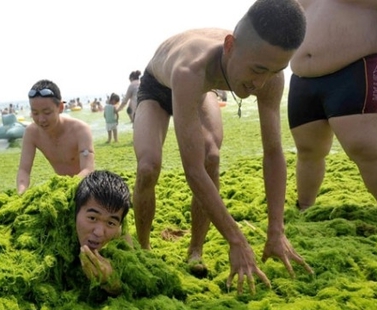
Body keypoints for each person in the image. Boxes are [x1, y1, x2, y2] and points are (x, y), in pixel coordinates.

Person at [133, 0, 312, 294]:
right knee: (148, 165)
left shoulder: (268, 76)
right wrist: (237, 240)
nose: (260, 82)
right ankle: (143, 247)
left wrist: (276, 231)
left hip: (205, 88)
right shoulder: (191, 69)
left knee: (211, 156)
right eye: (257, 69)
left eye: (274, 70)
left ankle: (196, 251)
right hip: (160, 86)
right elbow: (190, 170)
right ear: (229, 45)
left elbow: (273, 153)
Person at [288, 0, 377, 242]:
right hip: (303, 78)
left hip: (356, 65)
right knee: (308, 150)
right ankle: (304, 207)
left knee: (368, 147)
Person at [16, 79, 95, 194]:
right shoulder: (31, 133)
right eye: (35, 113)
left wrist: (66, 190)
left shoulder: (80, 130)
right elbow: (24, 170)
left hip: (85, 187)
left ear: (60, 108)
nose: (41, 119)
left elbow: (88, 169)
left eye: (47, 112)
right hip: (62, 189)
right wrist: (21, 193)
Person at [75, 170, 131, 295]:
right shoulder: (52, 225)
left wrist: (109, 281)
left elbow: (132, 284)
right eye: (92, 218)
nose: (99, 232)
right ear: (75, 211)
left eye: (111, 223)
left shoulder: (121, 235)